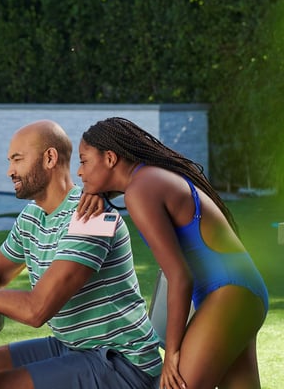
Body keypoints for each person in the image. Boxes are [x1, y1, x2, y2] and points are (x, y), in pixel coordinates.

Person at [0, 119, 162, 389]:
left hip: (120, 361)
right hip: (73, 345)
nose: (10, 171)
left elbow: (36, 310)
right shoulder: (32, 216)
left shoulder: (92, 216)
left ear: (50, 158)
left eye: (17, 159)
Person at [76, 117, 269, 389]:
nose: (79, 173)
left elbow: (179, 276)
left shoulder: (140, 190)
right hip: (243, 294)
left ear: (109, 158)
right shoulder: (149, 178)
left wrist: (173, 354)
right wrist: (101, 193)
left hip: (228, 295)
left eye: (84, 161)